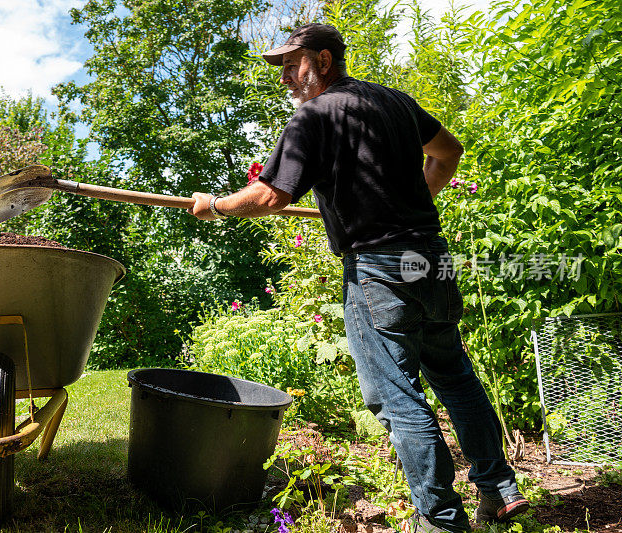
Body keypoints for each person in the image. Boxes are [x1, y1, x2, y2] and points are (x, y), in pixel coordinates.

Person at [187, 23, 529, 533]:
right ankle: (499, 489)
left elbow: (270, 195)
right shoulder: (395, 103)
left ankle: (439, 520)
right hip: (431, 258)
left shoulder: (313, 117)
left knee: (396, 396)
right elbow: (448, 153)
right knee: (455, 379)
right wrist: (415, 203)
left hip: (379, 267)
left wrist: (214, 206)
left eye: (290, 64)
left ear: (323, 61)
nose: (284, 77)